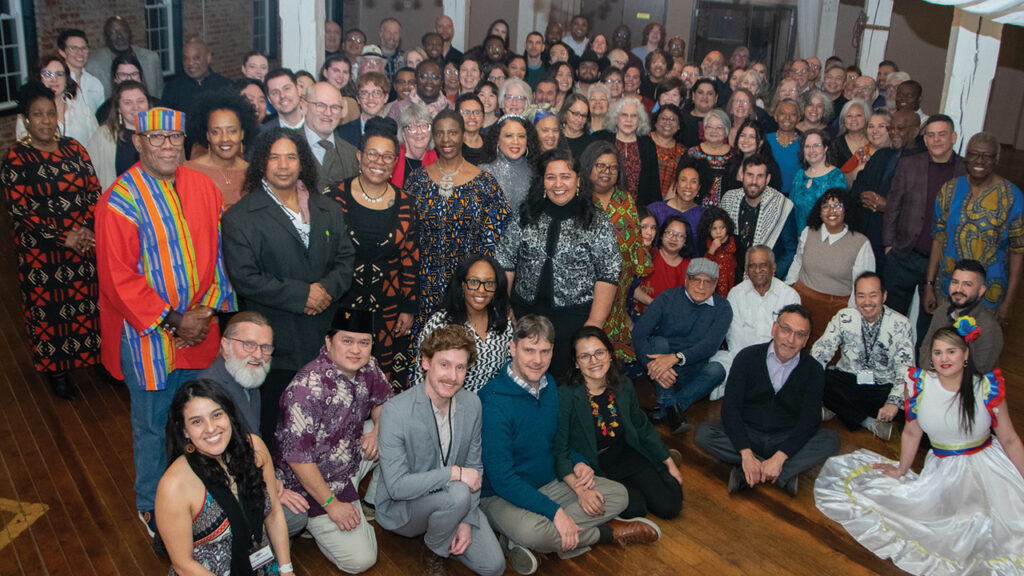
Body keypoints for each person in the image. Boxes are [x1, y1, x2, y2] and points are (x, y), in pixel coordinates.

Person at [95, 107, 238, 535]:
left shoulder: (203, 186)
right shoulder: (119, 200)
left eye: (174, 137)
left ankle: (201, 493)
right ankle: (151, 505)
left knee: (200, 418)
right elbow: (118, 278)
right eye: (155, 138)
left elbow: (220, 255)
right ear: (138, 142)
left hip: (200, 328)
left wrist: (204, 314)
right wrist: (175, 320)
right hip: (149, 338)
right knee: (153, 425)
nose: (166, 146)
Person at [814, 328, 1024, 576]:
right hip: (943, 472)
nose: (944, 358)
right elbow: (912, 432)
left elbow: (1009, 439)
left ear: (965, 354)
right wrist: (901, 469)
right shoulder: (919, 385)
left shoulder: (986, 388)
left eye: (951, 351)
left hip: (988, 470)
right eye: (937, 352)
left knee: (986, 527)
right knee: (938, 525)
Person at [479, 315, 659, 575]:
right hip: (500, 495)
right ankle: (605, 533)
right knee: (532, 531)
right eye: (529, 350)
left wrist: (578, 463)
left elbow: (556, 441)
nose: (537, 360)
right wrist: (556, 513)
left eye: (545, 351)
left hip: (549, 482)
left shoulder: (550, 385)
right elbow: (503, 479)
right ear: (513, 348)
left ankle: (532, 541)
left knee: (618, 494)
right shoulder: (492, 402)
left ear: (553, 351)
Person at [222, 128, 356, 441]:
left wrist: (325, 290)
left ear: (302, 162)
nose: (283, 165)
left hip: (325, 340)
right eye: (274, 157)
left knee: (326, 429)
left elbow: (346, 259)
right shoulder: (240, 217)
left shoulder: (328, 208)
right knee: (279, 431)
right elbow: (244, 277)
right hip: (276, 345)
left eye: (291, 157)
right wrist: (302, 295)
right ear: (261, 163)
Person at [376, 325, 505, 576]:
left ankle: (446, 525)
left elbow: (475, 467)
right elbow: (397, 487)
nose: (452, 376)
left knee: (493, 567)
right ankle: (434, 553)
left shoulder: (472, 404)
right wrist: (454, 473)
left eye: (460, 368)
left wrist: (465, 519)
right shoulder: (396, 411)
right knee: (458, 492)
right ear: (425, 362)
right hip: (405, 507)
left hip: (457, 501)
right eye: (444, 365)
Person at [1, 82, 102, 400]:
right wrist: (63, 237)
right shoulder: (16, 159)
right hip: (41, 254)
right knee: (52, 312)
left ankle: (96, 360)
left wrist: (86, 229)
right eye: (37, 114)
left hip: (83, 245)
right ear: (26, 119)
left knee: (88, 306)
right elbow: (20, 212)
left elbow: (94, 191)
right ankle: (57, 371)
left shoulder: (75, 149)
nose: (45, 120)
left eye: (50, 113)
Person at [274, 307, 392, 574]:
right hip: (311, 483)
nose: (356, 350)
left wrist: (376, 432)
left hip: (348, 457)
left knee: (396, 430)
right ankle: (316, 521)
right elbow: (298, 459)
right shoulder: (306, 388)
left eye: (364, 342)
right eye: (347, 341)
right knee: (361, 560)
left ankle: (367, 503)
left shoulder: (368, 366)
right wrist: (333, 505)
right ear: (328, 342)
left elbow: (384, 401)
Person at [497, 148, 620, 379]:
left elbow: (609, 273)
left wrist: (594, 324)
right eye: (551, 177)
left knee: (565, 382)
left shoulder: (597, 220)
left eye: (565, 176)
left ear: (578, 181)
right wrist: (506, 307)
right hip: (525, 314)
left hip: (574, 319)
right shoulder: (525, 214)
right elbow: (505, 260)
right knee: (524, 376)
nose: (558, 184)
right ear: (542, 182)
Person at [696, 304, 840, 496]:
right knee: (704, 434)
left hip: (785, 437)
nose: (791, 340)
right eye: (786, 330)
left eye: (800, 334)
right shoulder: (747, 357)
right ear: (774, 329)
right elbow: (730, 408)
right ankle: (780, 473)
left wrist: (780, 457)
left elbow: (810, 419)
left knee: (831, 441)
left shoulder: (813, 370)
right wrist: (745, 452)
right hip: (748, 432)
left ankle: (753, 472)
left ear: (806, 340)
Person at [155, 380, 294, 576]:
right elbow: (183, 564)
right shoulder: (174, 485)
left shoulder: (255, 449)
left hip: (261, 565)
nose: (211, 428)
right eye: (197, 421)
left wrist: (286, 570)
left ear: (229, 415)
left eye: (217, 415)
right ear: (185, 431)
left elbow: (274, 513)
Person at [326, 118, 419, 391]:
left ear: (395, 162)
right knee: (339, 379)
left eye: (387, 156)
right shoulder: (333, 197)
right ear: (359, 156)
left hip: (388, 309)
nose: (379, 161)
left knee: (380, 381)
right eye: (372, 154)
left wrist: (409, 307)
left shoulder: (407, 203)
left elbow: (411, 259)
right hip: (341, 303)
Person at [554, 326, 684, 520]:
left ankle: (660, 463)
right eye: (585, 356)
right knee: (635, 508)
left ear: (610, 355)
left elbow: (641, 426)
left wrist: (668, 461)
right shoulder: (566, 395)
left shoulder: (623, 385)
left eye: (599, 353)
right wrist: (579, 487)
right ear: (576, 363)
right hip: (595, 464)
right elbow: (559, 448)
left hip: (625, 453)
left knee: (671, 505)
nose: (594, 361)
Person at [408, 109, 510, 332]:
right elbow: (406, 239)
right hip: (424, 287)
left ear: (463, 135)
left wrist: (483, 286)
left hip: (469, 289)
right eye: (440, 133)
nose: (446, 139)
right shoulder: (417, 180)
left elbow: (495, 243)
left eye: (452, 133)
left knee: (463, 347)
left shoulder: (485, 183)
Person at [926, 132, 1024, 324]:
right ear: (966, 156)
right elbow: (938, 238)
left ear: (996, 159)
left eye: (987, 156)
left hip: (988, 295)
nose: (979, 161)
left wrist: (1009, 301)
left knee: (977, 343)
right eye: (974, 154)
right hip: (947, 290)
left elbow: (1018, 251)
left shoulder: (1013, 197)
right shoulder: (949, 190)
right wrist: (929, 284)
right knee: (941, 340)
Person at [883, 114, 965, 337]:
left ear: (953, 137)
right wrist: (889, 245)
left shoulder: (965, 170)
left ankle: (922, 359)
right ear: (925, 139)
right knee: (892, 320)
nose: (936, 140)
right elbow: (893, 205)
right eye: (931, 135)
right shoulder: (909, 164)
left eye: (942, 134)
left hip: (942, 263)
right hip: (904, 255)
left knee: (930, 326)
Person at [810, 272, 914, 440]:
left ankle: (838, 408)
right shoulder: (844, 317)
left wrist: (893, 403)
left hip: (881, 387)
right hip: (850, 381)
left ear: (884, 296)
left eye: (873, 295)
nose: (867, 302)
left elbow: (906, 368)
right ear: (855, 297)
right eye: (861, 296)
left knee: (913, 402)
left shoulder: (901, 324)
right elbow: (821, 351)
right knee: (820, 378)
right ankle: (868, 421)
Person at [633, 258, 731, 434]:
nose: (701, 286)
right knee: (659, 342)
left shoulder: (723, 308)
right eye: (696, 279)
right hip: (662, 370)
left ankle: (667, 407)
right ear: (686, 279)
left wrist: (676, 358)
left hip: (693, 370)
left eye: (707, 281)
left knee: (718, 370)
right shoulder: (667, 297)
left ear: (715, 284)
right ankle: (672, 411)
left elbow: (710, 346)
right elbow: (639, 333)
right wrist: (653, 365)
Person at [583, 141, 652, 363]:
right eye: (600, 166)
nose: (607, 172)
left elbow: (636, 239)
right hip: (584, 282)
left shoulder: (625, 199)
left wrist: (637, 270)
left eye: (613, 167)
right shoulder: (578, 198)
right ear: (589, 166)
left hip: (620, 281)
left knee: (614, 332)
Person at [412, 254, 513, 393]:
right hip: (450, 403)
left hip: (493, 403)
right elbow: (421, 377)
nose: (481, 290)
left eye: (489, 283)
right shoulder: (440, 323)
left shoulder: (502, 322)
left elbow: (509, 373)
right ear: (463, 285)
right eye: (474, 282)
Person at [787, 189, 874, 343]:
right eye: (826, 206)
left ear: (846, 210)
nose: (831, 211)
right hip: (801, 304)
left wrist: (850, 318)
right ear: (819, 212)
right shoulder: (808, 232)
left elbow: (862, 287)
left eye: (837, 206)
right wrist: (789, 288)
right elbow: (797, 262)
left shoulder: (861, 243)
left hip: (834, 312)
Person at [851, 108, 922, 277]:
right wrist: (863, 196)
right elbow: (857, 185)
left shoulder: (922, 163)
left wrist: (889, 206)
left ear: (915, 131)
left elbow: (921, 206)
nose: (894, 133)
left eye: (900, 128)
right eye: (891, 128)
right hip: (867, 237)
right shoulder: (882, 154)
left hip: (896, 245)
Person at [715, 246, 801, 380]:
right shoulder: (736, 294)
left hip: (777, 361)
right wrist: (746, 365)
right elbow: (735, 338)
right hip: (742, 359)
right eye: (752, 266)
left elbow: (789, 340)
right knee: (715, 367)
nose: (757, 270)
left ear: (773, 268)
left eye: (763, 265)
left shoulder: (789, 296)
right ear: (746, 269)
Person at [719, 154, 799, 278]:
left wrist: (770, 275)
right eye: (750, 175)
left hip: (768, 279)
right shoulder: (729, 199)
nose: (754, 182)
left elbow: (791, 250)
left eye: (760, 176)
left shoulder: (782, 205)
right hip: (731, 276)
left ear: (768, 179)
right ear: (742, 175)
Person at [918, 259, 1003, 374]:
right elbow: (925, 350)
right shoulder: (941, 312)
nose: (958, 289)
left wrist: (944, 378)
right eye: (955, 282)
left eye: (967, 284)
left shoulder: (988, 327)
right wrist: (934, 377)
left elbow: (980, 371)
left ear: (981, 290)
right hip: (932, 378)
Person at [197, 311, 274, 438]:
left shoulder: (248, 375)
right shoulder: (208, 387)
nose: (258, 355)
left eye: (265, 347)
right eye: (248, 345)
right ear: (225, 345)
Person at [183, 91, 257, 206]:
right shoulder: (189, 171)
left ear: (242, 134)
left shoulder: (252, 173)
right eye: (216, 132)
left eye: (232, 131)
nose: (224, 139)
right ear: (207, 135)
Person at [18, 54, 99, 145]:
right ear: (38, 79)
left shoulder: (83, 110)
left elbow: (97, 145)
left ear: (66, 80)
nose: (54, 79)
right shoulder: (27, 115)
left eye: (59, 74)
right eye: (47, 74)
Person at [84, 80, 150, 191]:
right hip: (116, 199)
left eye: (141, 101)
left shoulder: (161, 133)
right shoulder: (104, 135)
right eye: (128, 103)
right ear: (118, 108)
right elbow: (87, 172)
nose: (136, 107)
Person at [595, 96, 660, 206]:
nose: (629, 120)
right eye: (624, 115)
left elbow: (654, 183)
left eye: (634, 116)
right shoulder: (601, 139)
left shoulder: (647, 144)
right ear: (616, 118)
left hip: (637, 209)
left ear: (639, 120)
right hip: (603, 206)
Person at [85, 16, 163, 97]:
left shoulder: (151, 58)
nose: (120, 36)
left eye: (124, 31)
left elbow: (159, 94)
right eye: (113, 32)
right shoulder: (93, 66)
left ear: (130, 34)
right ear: (106, 37)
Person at [303, 82, 360, 192]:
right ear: (305, 106)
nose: (328, 113)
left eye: (334, 107)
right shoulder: (286, 147)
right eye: (320, 105)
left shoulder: (352, 154)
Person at [633, 216, 695, 316]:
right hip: (638, 316)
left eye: (680, 235)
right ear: (662, 234)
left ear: (685, 241)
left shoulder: (691, 267)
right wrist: (654, 304)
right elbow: (630, 285)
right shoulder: (647, 254)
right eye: (670, 233)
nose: (674, 238)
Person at [790, 129, 847, 234]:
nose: (811, 150)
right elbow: (791, 210)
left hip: (827, 237)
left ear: (825, 148)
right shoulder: (799, 176)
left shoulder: (836, 176)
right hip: (800, 237)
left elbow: (839, 212)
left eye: (816, 145)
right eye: (807, 146)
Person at [477, 114, 540, 210]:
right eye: (509, 136)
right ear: (497, 139)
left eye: (521, 136)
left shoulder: (535, 170)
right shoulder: (483, 172)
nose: (516, 141)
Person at [648, 155, 709, 250]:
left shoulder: (704, 216)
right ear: (676, 184)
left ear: (699, 187)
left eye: (693, 182)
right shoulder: (655, 210)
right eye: (683, 180)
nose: (688, 186)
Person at [161, 37, 232, 119]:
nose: (190, 63)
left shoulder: (224, 85)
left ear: (208, 58)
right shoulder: (173, 88)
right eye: (186, 59)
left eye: (196, 58)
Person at [722, 118, 783, 193]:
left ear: (761, 142)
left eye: (752, 137)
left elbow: (774, 194)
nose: (746, 140)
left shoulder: (770, 166)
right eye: (742, 135)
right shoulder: (731, 163)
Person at [388, 60, 454, 122]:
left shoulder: (450, 108)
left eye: (435, 77)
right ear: (416, 79)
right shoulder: (399, 108)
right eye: (424, 76)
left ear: (442, 81)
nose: (429, 81)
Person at [392, 101, 438, 187]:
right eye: (412, 127)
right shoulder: (393, 158)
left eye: (425, 126)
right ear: (403, 132)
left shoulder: (437, 160)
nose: (419, 132)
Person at [842, 107, 890, 188]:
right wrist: (855, 173)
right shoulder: (862, 153)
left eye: (881, 126)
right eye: (871, 126)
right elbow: (841, 178)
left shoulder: (898, 152)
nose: (875, 131)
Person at [57, 29, 103, 112]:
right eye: (73, 48)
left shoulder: (95, 83)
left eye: (83, 48)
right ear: (62, 52)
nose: (80, 53)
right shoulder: (58, 82)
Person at [648, 105, 687, 199]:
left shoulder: (682, 151)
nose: (667, 122)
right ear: (655, 122)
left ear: (678, 126)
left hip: (667, 201)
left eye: (672, 119)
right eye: (663, 118)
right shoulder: (643, 141)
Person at [699, 207, 738, 295]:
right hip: (712, 289)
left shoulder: (735, 241)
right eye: (714, 228)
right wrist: (711, 250)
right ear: (708, 229)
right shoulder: (705, 243)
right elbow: (702, 268)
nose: (718, 232)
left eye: (722, 228)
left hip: (732, 287)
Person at [766, 99, 801, 196]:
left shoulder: (804, 143)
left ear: (798, 118)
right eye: (782, 113)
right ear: (776, 117)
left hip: (795, 197)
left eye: (793, 114)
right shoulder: (765, 140)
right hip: (768, 195)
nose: (787, 118)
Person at [831, 99, 870, 174]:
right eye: (849, 116)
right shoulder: (834, 145)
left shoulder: (874, 143)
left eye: (858, 115)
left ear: (866, 118)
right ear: (844, 120)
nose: (853, 119)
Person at [559, 93, 593, 158]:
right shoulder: (554, 139)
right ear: (565, 113)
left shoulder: (591, 144)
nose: (580, 119)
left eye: (583, 115)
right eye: (576, 114)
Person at [458, 94, 487, 164]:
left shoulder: (491, 144)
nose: (472, 117)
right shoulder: (452, 146)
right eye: (466, 112)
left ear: (483, 117)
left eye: (477, 113)